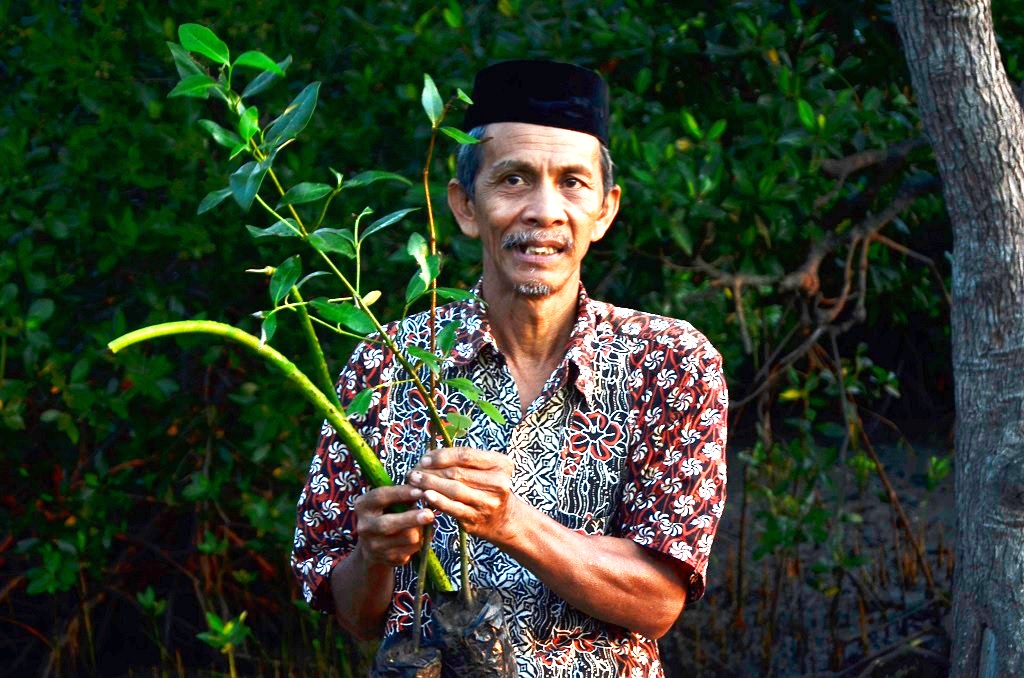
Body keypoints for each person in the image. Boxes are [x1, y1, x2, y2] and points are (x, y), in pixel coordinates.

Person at [291, 60, 728, 677]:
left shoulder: (671, 361)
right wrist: (374, 555)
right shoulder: (387, 363)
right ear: (466, 206)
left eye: (573, 182)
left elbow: (659, 602)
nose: (545, 210)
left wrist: (511, 522)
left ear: (604, 211)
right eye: (514, 179)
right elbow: (357, 618)